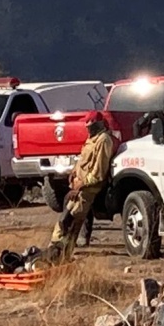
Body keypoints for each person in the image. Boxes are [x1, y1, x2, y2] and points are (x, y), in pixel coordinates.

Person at [48, 111, 115, 263]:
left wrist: (80, 185)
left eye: (90, 126)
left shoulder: (103, 140)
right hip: (78, 186)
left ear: (98, 125)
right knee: (65, 220)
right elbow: (83, 160)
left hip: (88, 189)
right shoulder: (91, 139)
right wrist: (73, 172)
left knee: (70, 220)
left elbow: (98, 172)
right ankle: (56, 252)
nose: (88, 129)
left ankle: (61, 254)